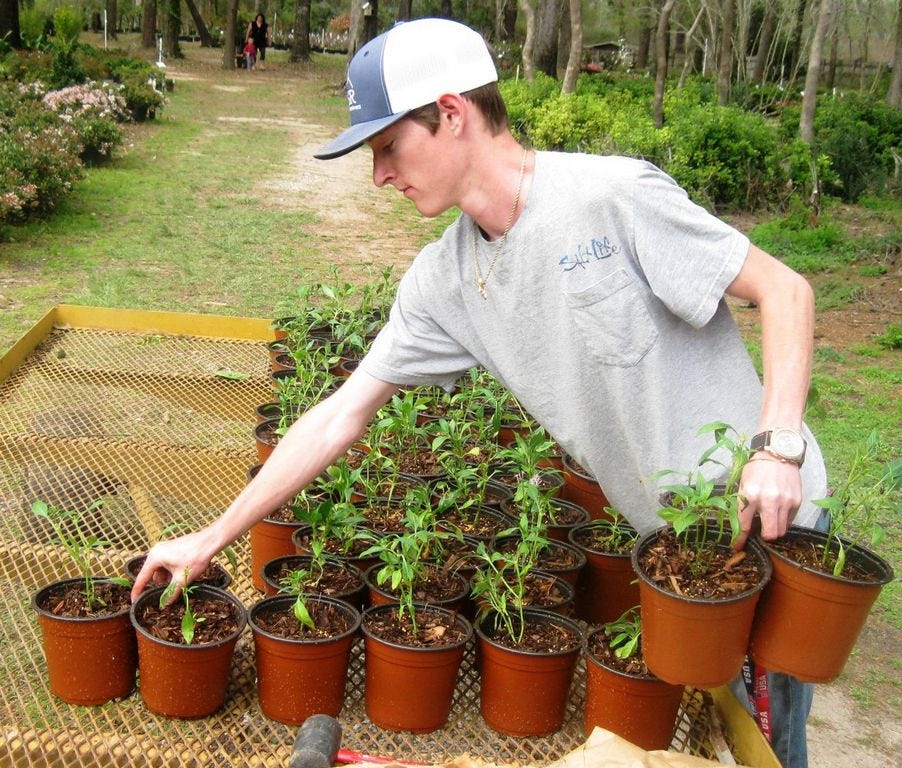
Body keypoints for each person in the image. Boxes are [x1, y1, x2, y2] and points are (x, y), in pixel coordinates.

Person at [133, 18, 826, 768]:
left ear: (452, 113)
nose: (379, 175)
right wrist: (209, 540)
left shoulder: (611, 198)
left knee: (771, 736)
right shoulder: (446, 281)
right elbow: (338, 416)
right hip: (675, 555)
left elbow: (785, 291)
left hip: (777, 519)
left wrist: (777, 447)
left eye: (388, 147)